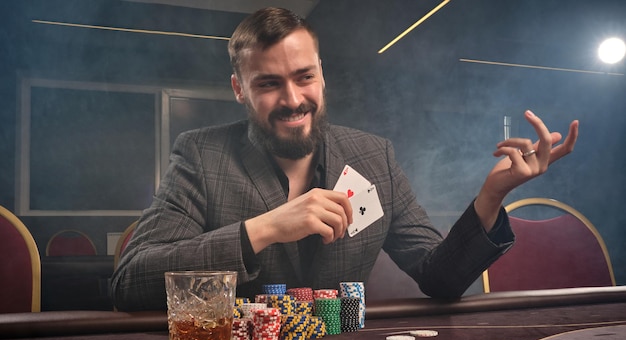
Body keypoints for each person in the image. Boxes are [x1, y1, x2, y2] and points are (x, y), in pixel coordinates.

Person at [110, 7, 578, 311]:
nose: (293, 99)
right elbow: (131, 282)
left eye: (304, 77)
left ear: (322, 76)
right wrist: (265, 228)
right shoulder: (201, 154)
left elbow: (440, 278)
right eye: (268, 83)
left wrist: (491, 196)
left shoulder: (373, 156)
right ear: (239, 90)